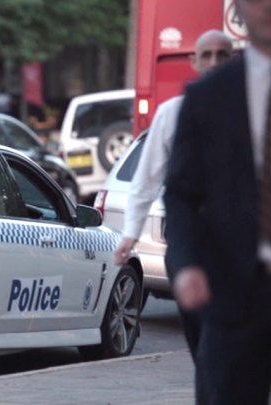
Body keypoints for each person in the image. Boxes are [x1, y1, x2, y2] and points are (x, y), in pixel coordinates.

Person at [164, 0, 271, 402]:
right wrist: (188, 263)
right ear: (238, 9)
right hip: (233, 294)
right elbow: (181, 193)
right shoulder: (208, 97)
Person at [113, 29, 234, 362]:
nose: (214, 62)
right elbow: (146, 176)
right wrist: (130, 234)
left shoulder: (251, 108)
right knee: (201, 339)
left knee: (231, 337)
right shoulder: (171, 113)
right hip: (190, 243)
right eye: (206, 55)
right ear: (194, 61)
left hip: (237, 245)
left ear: (233, 60)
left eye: (221, 55)